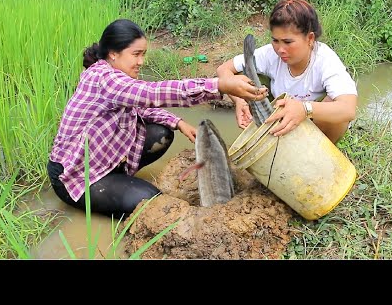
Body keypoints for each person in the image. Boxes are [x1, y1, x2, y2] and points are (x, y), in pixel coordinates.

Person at [47, 18, 267, 219]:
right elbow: (152, 94)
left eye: (143, 54)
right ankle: (113, 196)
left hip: (102, 162)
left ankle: (120, 180)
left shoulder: (116, 76)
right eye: (136, 54)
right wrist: (218, 85)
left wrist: (179, 123)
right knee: (153, 203)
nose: (142, 61)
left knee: (162, 133)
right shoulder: (104, 79)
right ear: (113, 54)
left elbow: (141, 106)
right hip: (76, 177)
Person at [216, 0, 357, 144]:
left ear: (310, 38)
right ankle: (272, 141)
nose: (280, 50)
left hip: (315, 127)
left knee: (335, 105)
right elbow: (224, 70)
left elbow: (348, 109)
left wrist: (304, 109)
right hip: (278, 118)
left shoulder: (325, 60)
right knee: (243, 75)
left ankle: (316, 152)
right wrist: (240, 101)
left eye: (288, 42)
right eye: (275, 41)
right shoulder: (271, 54)